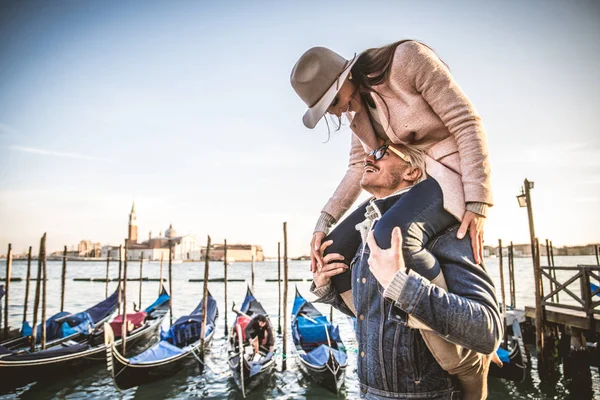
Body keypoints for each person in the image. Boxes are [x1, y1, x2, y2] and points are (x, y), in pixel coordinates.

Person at [290, 40, 493, 290]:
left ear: (347, 75)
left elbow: (466, 122)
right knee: (334, 253)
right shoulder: (357, 110)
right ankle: (382, 324)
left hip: (448, 175)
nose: (335, 113)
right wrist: (324, 222)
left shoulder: (408, 59)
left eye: (332, 102)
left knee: (388, 232)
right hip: (406, 185)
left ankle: (440, 317)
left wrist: (478, 200)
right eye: (325, 110)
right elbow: (357, 167)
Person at [311, 142, 502, 399]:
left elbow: (487, 329)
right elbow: (375, 317)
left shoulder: (445, 233)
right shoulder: (365, 236)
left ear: (411, 172)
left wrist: (404, 284)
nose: (368, 157)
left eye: (381, 153)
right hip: (368, 391)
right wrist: (327, 289)